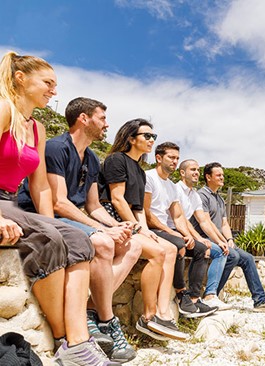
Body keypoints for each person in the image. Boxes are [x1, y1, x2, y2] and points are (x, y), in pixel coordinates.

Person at [0, 51, 118, 365]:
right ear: (20, 78)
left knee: (77, 240)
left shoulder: (36, 128)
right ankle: (65, 337)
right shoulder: (4, 110)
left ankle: (78, 342)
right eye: (48, 82)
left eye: (56, 84)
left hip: (11, 201)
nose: (54, 90)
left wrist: (52, 225)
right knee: (49, 240)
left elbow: (39, 186)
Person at [18, 97, 141, 362]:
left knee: (132, 245)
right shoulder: (55, 147)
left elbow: (93, 205)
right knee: (105, 244)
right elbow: (58, 202)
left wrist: (117, 225)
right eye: (102, 118)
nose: (107, 125)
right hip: (40, 214)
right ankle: (107, 321)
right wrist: (102, 231)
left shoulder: (93, 158)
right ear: (83, 119)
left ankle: (87, 309)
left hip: (72, 217)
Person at [99, 118, 187, 341]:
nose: (151, 140)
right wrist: (139, 229)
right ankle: (148, 317)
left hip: (131, 219)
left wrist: (145, 229)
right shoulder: (116, 160)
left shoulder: (139, 170)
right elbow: (117, 200)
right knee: (158, 253)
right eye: (146, 136)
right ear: (131, 138)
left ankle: (163, 313)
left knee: (170, 249)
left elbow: (138, 208)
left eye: (153, 136)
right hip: (113, 218)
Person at [191, 162, 265, 313]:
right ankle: (211, 296)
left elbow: (224, 223)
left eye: (223, 175)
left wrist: (230, 239)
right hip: (206, 237)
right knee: (232, 255)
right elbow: (207, 223)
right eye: (218, 175)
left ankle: (260, 301)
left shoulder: (219, 199)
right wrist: (222, 241)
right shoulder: (202, 195)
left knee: (248, 258)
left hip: (220, 239)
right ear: (208, 177)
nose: (222, 177)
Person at [144, 143, 219, 317]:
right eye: (171, 157)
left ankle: (193, 298)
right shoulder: (149, 177)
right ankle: (180, 294)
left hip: (165, 229)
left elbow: (178, 217)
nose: (175, 161)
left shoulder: (171, 186)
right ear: (158, 158)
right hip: (150, 228)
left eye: (177, 158)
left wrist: (189, 235)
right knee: (179, 244)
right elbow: (146, 213)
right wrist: (173, 233)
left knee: (201, 249)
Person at [177, 159, 232, 310]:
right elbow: (180, 219)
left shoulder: (194, 195)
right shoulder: (176, 190)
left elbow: (203, 221)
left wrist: (221, 241)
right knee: (207, 249)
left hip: (188, 233)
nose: (196, 173)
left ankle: (197, 298)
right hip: (176, 231)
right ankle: (204, 296)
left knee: (219, 250)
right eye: (192, 169)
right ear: (182, 173)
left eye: (197, 170)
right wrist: (200, 238)